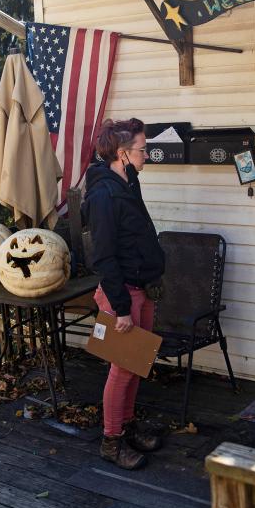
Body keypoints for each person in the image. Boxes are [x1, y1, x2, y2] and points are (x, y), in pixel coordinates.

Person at [82, 118, 166, 470]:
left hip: (140, 288)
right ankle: (111, 440)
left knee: (136, 364)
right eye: (142, 149)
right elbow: (103, 257)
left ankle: (128, 426)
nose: (146, 155)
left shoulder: (126, 181)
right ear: (122, 154)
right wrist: (120, 310)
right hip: (123, 296)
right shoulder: (103, 195)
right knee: (122, 368)